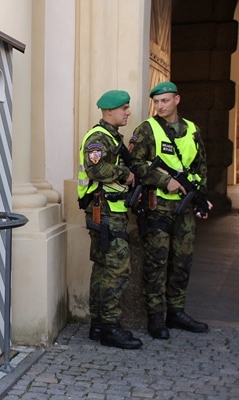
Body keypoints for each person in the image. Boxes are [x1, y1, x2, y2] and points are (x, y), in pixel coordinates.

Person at [129, 81, 211, 339]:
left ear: (177, 99)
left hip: (185, 209)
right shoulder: (147, 129)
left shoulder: (192, 130)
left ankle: (176, 312)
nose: (160, 106)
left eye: (165, 101)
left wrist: (201, 198)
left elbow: (201, 167)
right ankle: (155, 317)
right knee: (157, 262)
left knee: (182, 261)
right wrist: (166, 181)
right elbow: (135, 165)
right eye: (157, 102)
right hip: (158, 207)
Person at [77, 90, 142, 349]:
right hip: (104, 212)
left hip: (108, 211)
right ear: (109, 111)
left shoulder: (112, 137)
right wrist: (124, 173)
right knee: (117, 269)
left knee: (103, 269)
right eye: (124, 108)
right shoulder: (98, 138)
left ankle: (98, 325)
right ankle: (111, 327)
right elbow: (95, 167)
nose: (128, 112)